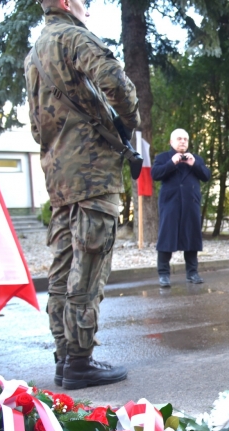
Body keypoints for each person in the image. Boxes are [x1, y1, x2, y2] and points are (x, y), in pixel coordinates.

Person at [25, 0, 139, 390]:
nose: (88, 6)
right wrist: (129, 120)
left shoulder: (34, 53)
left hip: (59, 176)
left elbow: (36, 125)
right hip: (92, 173)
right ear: (65, 3)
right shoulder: (73, 37)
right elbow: (115, 80)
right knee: (88, 267)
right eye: (84, 1)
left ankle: (64, 358)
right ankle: (80, 362)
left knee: (62, 267)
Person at [152, 129, 211, 287]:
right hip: (170, 203)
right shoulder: (163, 157)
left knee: (192, 237)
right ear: (171, 142)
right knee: (167, 238)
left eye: (185, 139)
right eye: (179, 138)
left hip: (191, 203)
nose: (183, 141)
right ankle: (164, 275)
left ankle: (192, 273)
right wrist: (172, 162)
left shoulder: (195, 158)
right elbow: (155, 174)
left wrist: (195, 164)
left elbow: (206, 176)